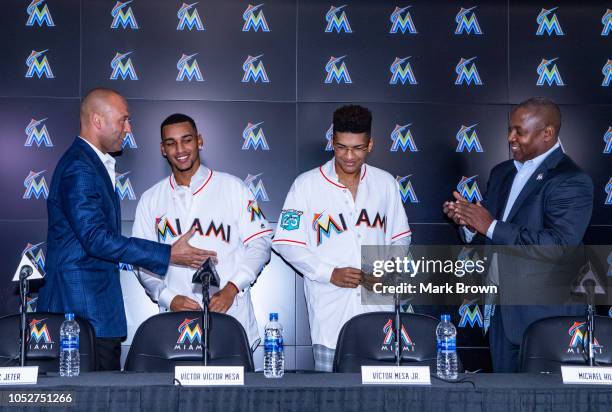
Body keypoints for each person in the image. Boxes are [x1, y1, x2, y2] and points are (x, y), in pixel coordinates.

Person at [37, 89, 210, 371]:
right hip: (81, 313)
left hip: (93, 311)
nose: (128, 129)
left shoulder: (90, 164)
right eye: (123, 120)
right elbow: (95, 239)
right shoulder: (80, 168)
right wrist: (167, 253)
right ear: (97, 121)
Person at [443, 97, 594, 372]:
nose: (510, 138)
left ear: (547, 133)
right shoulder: (502, 172)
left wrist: (489, 225)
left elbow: (559, 246)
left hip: (548, 319)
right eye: (509, 130)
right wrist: (467, 223)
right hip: (501, 314)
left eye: (519, 131)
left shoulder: (571, 180)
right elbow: (490, 235)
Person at [273, 105, 412, 371]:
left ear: (370, 144)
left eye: (357, 148)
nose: (349, 156)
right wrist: (329, 272)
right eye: (341, 147)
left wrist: (385, 269)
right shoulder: (306, 184)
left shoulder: (385, 183)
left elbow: (401, 238)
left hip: (379, 310)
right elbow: (286, 242)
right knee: (332, 397)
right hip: (330, 313)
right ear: (332, 142)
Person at [132, 113, 272, 348]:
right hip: (176, 323)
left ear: (200, 141)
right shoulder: (151, 199)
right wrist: (168, 297)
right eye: (171, 143)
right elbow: (141, 259)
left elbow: (261, 243)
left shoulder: (232, 187)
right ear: (162, 149)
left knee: (235, 384)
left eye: (186, 140)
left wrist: (232, 288)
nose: (180, 149)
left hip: (230, 313)